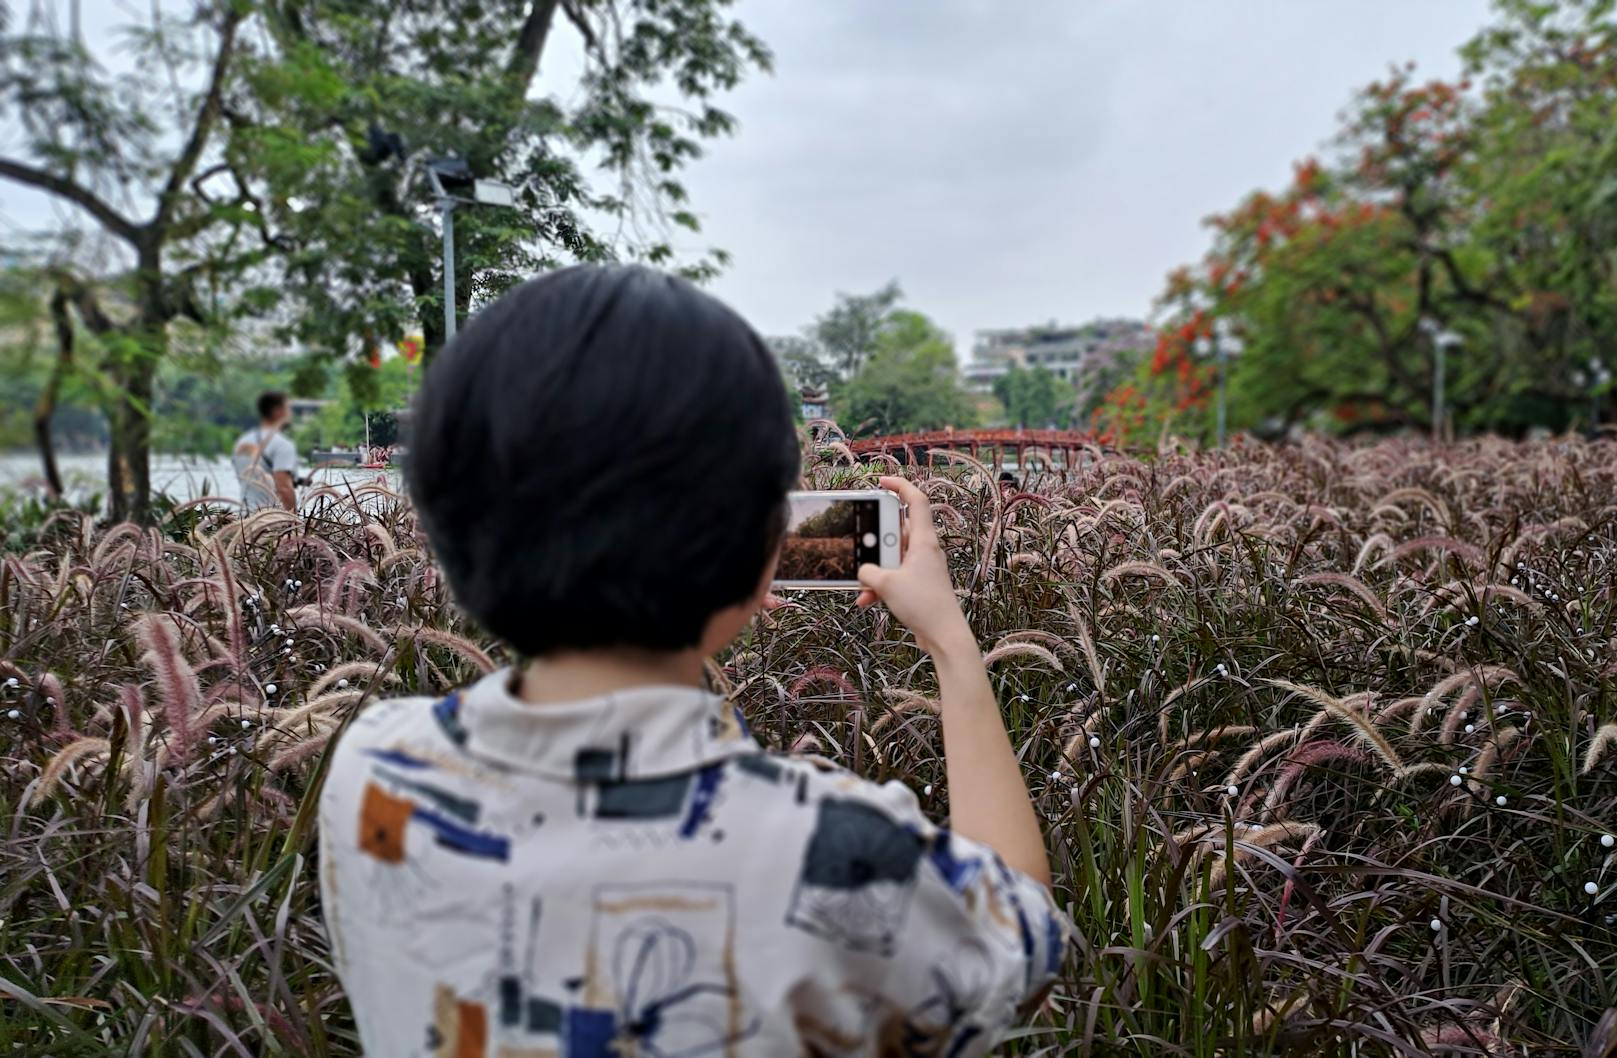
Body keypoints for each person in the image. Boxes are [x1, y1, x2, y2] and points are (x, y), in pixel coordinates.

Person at [318, 265, 1065, 1057]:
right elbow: (1025, 937)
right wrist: (951, 645)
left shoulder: (373, 770)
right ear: (759, 541)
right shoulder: (834, 856)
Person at [231, 391, 298, 510]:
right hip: (270, 520)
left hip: (244, 518)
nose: (291, 413)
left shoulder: (242, 441)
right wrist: (294, 522)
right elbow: (284, 488)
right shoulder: (282, 444)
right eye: (288, 408)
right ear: (278, 411)